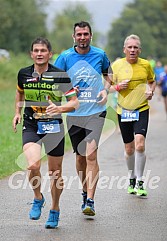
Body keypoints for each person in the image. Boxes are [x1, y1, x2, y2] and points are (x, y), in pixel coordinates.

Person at [12, 37, 79, 228]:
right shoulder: (23, 74)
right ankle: (38, 197)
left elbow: (74, 103)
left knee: (55, 173)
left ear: (50, 54)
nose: (39, 54)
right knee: (32, 165)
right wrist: (17, 112)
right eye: (36, 51)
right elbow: (20, 91)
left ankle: (55, 209)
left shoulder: (60, 75)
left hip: (54, 126)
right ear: (31, 54)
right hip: (32, 124)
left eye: (43, 51)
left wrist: (60, 109)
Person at [54, 21, 111, 216]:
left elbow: (109, 75)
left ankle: (91, 201)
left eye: (86, 34)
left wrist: (106, 90)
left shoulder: (100, 54)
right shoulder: (65, 57)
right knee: (80, 158)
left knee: (91, 154)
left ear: (91, 36)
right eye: (79, 34)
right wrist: (68, 92)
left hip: (96, 111)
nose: (82, 38)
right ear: (74, 37)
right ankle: (84, 192)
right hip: (75, 113)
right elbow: (55, 82)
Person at [110, 34, 156, 196]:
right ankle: (131, 177)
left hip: (141, 109)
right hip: (123, 111)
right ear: (124, 49)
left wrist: (151, 90)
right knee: (129, 149)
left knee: (140, 144)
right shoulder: (116, 66)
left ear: (140, 50)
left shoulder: (145, 65)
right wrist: (117, 87)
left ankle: (141, 181)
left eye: (135, 47)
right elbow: (106, 86)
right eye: (129, 47)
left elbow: (152, 81)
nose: (132, 50)